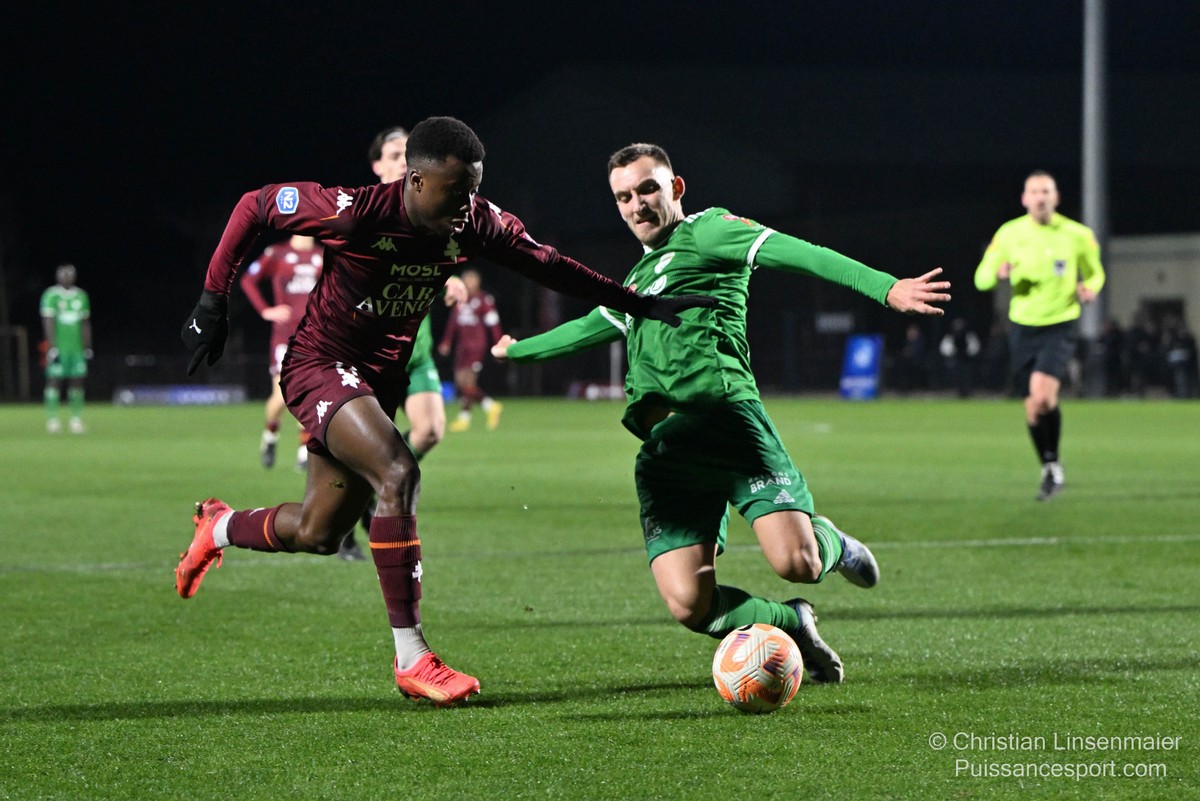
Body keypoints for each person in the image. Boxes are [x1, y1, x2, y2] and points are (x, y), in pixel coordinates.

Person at [175, 117, 712, 705]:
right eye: (455, 191)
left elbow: (549, 263)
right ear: (415, 182)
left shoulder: (475, 221)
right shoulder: (355, 212)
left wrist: (635, 303)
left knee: (318, 531)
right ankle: (412, 658)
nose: (465, 205)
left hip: (380, 380)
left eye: (473, 189)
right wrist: (213, 299)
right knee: (398, 471)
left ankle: (218, 526)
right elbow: (255, 206)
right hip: (320, 365)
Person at [492, 143, 950, 684]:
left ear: (675, 188)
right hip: (669, 451)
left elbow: (800, 253)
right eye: (624, 197)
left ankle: (832, 543)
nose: (637, 204)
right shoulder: (636, 282)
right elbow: (588, 327)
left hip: (729, 427)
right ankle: (791, 621)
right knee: (691, 604)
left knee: (797, 562)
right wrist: (516, 351)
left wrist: (884, 287)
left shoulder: (709, 232)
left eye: (647, 189)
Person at [338, 125, 468, 562]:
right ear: (377, 166)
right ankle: (348, 513)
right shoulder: (364, 215)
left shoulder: (431, 210)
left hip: (417, 353)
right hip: (371, 357)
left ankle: (375, 489)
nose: (403, 162)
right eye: (395, 155)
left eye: (408, 155)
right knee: (367, 452)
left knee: (430, 431)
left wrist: (449, 280)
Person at [974, 170, 1106, 500]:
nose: (1040, 197)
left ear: (1056, 197)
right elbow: (981, 278)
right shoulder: (1009, 233)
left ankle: (1052, 465)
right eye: (1034, 192)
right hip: (1022, 326)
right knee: (1033, 407)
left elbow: (1096, 273)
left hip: (1060, 323)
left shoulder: (1078, 235)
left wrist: (1090, 287)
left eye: (1046, 191)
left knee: (1043, 396)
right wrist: (998, 273)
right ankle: (1050, 464)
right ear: (1024, 198)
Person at [239, 234, 323, 470]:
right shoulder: (276, 253)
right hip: (285, 337)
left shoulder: (324, 255)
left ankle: (304, 451)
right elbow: (248, 280)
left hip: (315, 337)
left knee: (308, 392)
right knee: (281, 397)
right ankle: (270, 434)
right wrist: (266, 310)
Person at [439, 268, 504, 432]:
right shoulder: (460, 298)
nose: (469, 283)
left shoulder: (484, 300)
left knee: (468, 381)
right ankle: (490, 406)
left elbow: (493, 324)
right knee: (461, 382)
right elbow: (453, 322)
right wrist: (447, 341)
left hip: (477, 346)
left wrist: (498, 344)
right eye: (466, 279)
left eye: (472, 279)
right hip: (462, 346)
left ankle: (464, 418)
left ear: (478, 282)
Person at [40, 263, 92, 434]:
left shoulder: (81, 296)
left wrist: (87, 346)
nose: (66, 278)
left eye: (69, 275)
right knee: (54, 380)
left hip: (76, 349)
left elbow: (85, 323)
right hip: (59, 348)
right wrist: (51, 346)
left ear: (74, 277)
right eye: (63, 274)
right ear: (58, 276)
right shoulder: (51, 295)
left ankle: (76, 420)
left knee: (77, 381)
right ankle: (52, 419)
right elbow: (48, 322)